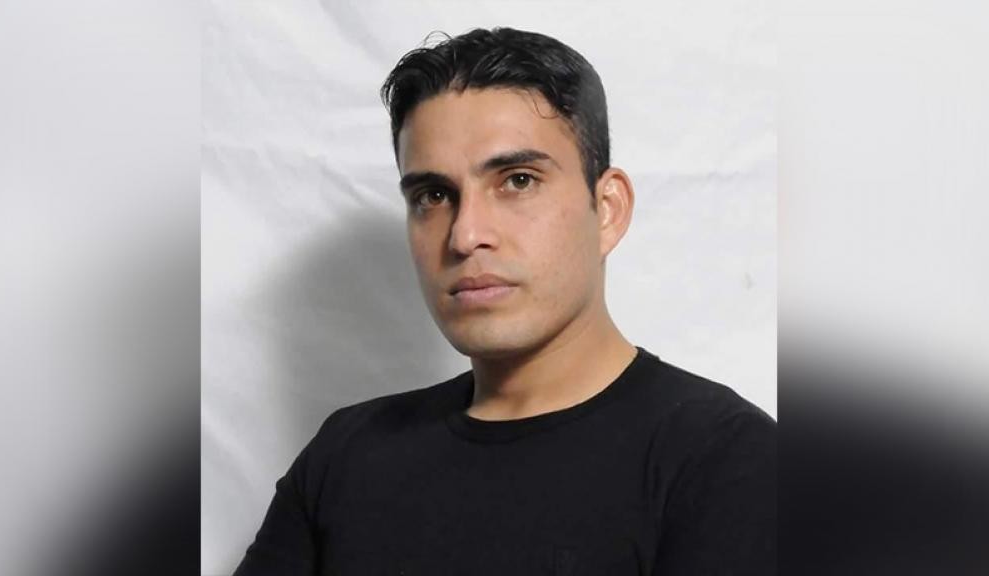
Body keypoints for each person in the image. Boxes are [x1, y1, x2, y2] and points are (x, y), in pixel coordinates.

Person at [234, 27, 775, 575]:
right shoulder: (347, 454)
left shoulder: (725, 459)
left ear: (608, 210)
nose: (466, 235)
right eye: (433, 195)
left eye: (518, 180)